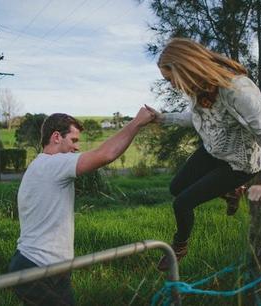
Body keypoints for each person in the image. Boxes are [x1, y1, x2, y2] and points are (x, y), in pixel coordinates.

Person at [145, 38, 261, 271]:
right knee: (176, 188)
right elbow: (197, 117)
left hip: (240, 163)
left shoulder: (237, 91)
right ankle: (230, 193)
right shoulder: (198, 88)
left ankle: (178, 248)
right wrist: (163, 118)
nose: (171, 85)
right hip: (213, 151)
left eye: (170, 80)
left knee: (182, 203)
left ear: (185, 69)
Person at [8, 108, 155, 305]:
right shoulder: (53, 164)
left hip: (50, 268)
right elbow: (106, 154)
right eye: (74, 140)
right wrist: (136, 122)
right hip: (37, 268)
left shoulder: (40, 166)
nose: (77, 147)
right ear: (56, 137)